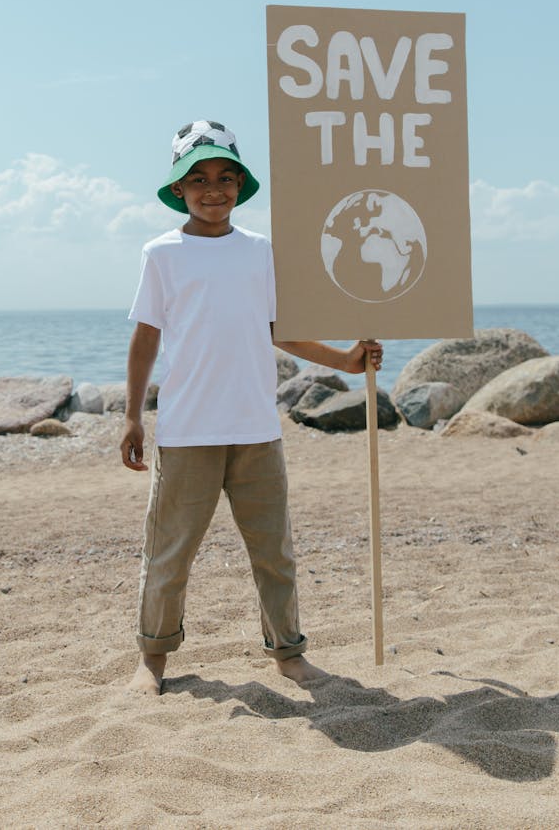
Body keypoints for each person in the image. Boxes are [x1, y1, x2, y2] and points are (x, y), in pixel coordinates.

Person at [119, 120, 383, 695]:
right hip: (188, 431)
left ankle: (289, 655)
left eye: (225, 177)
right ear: (178, 189)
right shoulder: (161, 254)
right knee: (169, 555)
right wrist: (133, 414)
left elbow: (279, 330)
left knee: (274, 553)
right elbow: (145, 338)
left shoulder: (262, 251)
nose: (213, 189)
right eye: (199, 179)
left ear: (240, 184)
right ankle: (153, 661)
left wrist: (345, 360)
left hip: (257, 430)